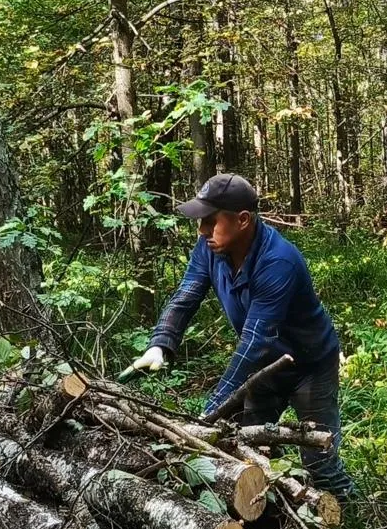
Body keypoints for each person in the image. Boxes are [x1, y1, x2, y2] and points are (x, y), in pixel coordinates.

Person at [125, 173, 355, 497]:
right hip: (266, 368)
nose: (202, 230)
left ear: (243, 219)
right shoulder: (209, 249)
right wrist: (160, 344)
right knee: (247, 450)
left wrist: (209, 414)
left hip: (309, 368)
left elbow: (255, 342)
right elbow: (185, 296)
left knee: (320, 463)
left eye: (210, 221)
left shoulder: (279, 261)